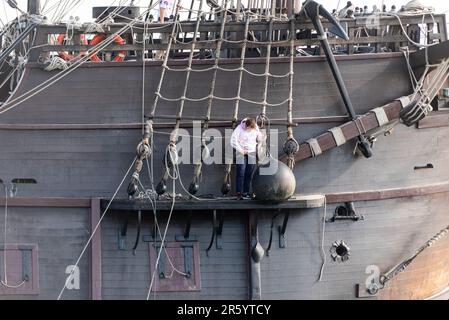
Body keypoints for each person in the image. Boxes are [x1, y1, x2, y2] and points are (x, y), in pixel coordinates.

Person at [230, 118, 265, 200]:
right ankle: (239, 193)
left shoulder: (255, 128)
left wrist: (262, 136)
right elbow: (233, 140)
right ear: (246, 125)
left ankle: (246, 192)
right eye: (248, 128)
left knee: (249, 173)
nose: (248, 130)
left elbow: (259, 138)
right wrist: (241, 150)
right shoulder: (239, 128)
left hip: (251, 152)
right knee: (241, 172)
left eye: (250, 129)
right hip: (241, 152)